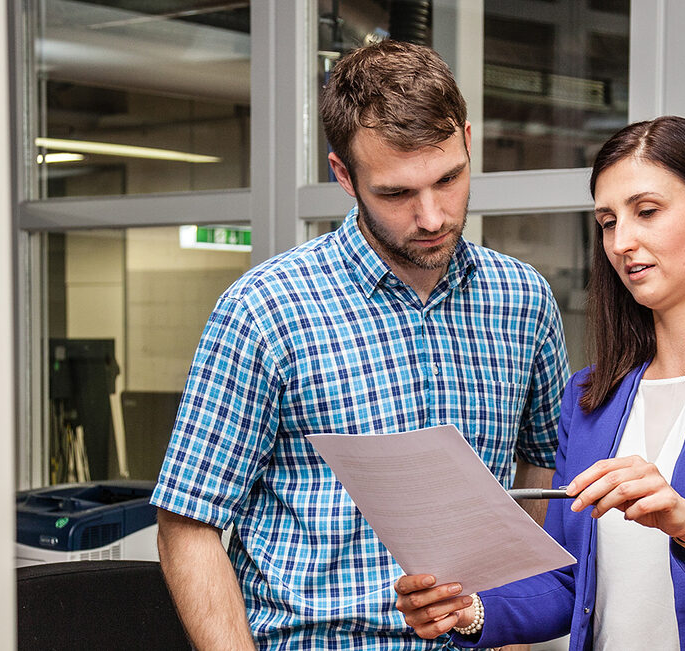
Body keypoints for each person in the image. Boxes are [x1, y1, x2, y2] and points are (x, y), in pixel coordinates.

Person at [150, 39, 569, 650]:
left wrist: (510, 627)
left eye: (448, 178)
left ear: (469, 143)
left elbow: (539, 471)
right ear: (344, 175)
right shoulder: (265, 310)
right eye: (397, 194)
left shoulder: (523, 301)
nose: (431, 216)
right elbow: (187, 522)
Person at [393, 116, 685, 649]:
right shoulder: (590, 397)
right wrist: (469, 612)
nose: (623, 241)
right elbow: (569, 582)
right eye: (608, 221)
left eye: (647, 212)